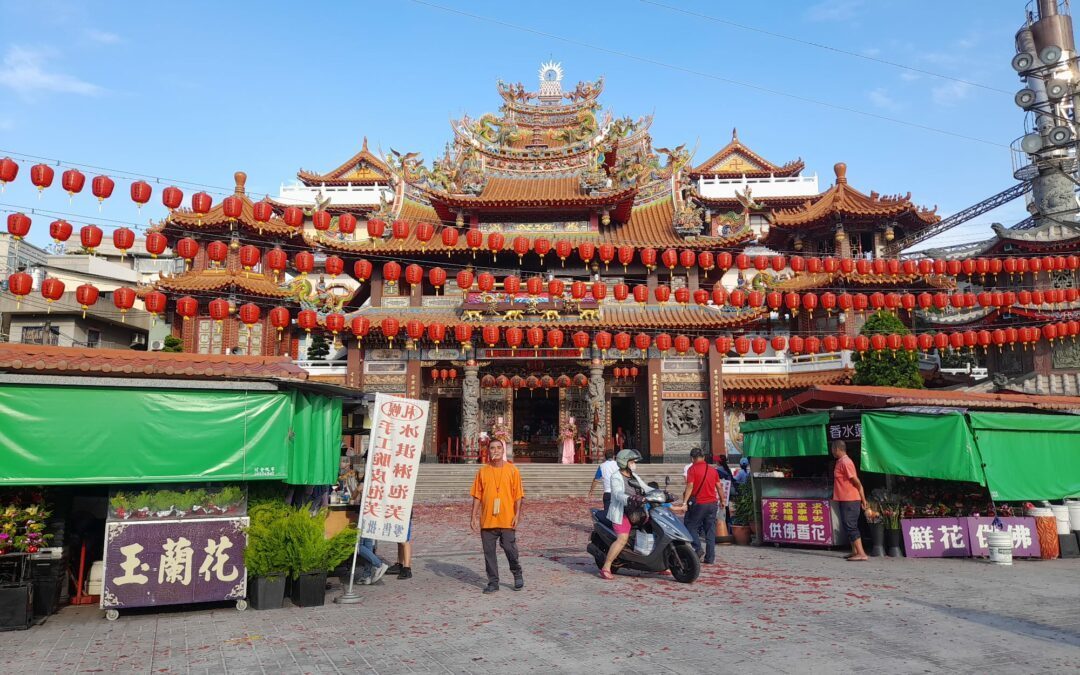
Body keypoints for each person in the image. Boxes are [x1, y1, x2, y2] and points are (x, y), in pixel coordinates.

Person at [470, 438, 525, 593]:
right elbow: (477, 495)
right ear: (488, 451)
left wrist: (517, 515)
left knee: (509, 547)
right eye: (492, 448)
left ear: (503, 451)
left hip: (507, 518)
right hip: (487, 519)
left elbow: (518, 496)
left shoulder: (512, 470)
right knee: (489, 552)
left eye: (498, 448)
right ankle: (493, 582)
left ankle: (516, 571)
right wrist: (473, 516)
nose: (495, 451)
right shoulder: (482, 471)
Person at [599, 449, 648, 580]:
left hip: (638, 511)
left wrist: (661, 493)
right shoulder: (616, 476)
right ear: (624, 462)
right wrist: (631, 498)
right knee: (622, 539)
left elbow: (646, 487)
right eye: (631, 461)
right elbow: (617, 494)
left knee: (652, 530)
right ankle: (606, 566)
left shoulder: (634, 476)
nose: (633, 464)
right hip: (622, 513)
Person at [680, 448, 721, 564]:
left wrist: (684, 502)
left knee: (690, 526)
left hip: (698, 503)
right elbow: (719, 486)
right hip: (713, 503)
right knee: (710, 530)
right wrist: (722, 500)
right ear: (703, 457)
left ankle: (698, 548)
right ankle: (710, 557)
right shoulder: (713, 470)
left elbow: (690, 486)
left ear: (692, 458)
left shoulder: (692, 469)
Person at [831, 440, 869, 562]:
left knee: (851, 525)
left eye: (832, 449)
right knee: (847, 525)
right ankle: (855, 551)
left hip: (850, 499)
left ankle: (862, 553)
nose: (832, 451)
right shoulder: (840, 462)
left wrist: (863, 499)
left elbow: (856, 482)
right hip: (844, 499)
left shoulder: (846, 462)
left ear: (837, 449)